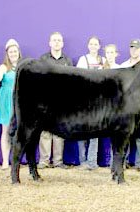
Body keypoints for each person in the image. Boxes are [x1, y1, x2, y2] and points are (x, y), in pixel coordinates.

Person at [37, 32, 73, 169]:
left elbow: (71, 81)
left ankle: (58, 161)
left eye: (59, 40)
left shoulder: (68, 61)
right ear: (50, 43)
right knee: (45, 132)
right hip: (46, 100)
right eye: (54, 40)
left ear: (62, 43)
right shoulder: (43, 59)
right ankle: (44, 161)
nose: (57, 42)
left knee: (59, 132)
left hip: (62, 101)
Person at [76, 36, 105, 170]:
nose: (93, 46)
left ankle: (92, 161)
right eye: (91, 44)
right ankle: (82, 161)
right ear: (88, 46)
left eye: (96, 44)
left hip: (98, 101)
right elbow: (78, 78)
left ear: (99, 46)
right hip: (84, 100)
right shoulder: (83, 60)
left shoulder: (103, 61)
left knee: (95, 132)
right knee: (82, 130)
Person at [0, 39, 22, 170]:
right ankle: (5, 160)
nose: (13, 53)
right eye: (11, 51)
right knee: (5, 131)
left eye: (15, 51)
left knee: (19, 132)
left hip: (20, 102)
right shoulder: (3, 67)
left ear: (18, 52)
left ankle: (16, 160)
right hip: (6, 101)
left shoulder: (23, 66)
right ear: (7, 53)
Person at [120, 39, 140, 171]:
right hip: (126, 105)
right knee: (125, 134)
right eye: (132, 48)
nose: (134, 50)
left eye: (136, 48)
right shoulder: (124, 66)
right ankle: (123, 162)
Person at [102, 44, 120, 167]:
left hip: (117, 107)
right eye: (107, 52)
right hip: (101, 106)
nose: (110, 55)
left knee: (118, 135)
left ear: (116, 54)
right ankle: (90, 162)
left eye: (112, 52)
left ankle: (116, 164)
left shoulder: (121, 69)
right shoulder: (100, 70)